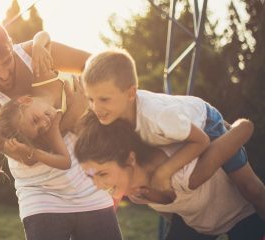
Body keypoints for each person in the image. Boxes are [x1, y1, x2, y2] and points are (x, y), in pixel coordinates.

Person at [0, 18, 122, 240]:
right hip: (40, 194)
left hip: (88, 182)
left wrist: (89, 101)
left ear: (11, 44)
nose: (4, 73)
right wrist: (73, 111)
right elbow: (27, 156)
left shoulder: (35, 53)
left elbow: (96, 67)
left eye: (7, 61)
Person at [82, 49, 265, 219]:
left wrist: (164, 172)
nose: (96, 108)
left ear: (130, 93)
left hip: (204, 124)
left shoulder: (157, 116)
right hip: (178, 132)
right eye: (91, 99)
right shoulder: (111, 115)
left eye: (104, 99)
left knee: (251, 188)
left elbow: (201, 141)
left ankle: (231, 130)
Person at [74, 112, 265, 239]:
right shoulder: (135, 193)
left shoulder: (185, 173)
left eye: (102, 173)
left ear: (130, 160)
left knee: (253, 190)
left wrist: (223, 128)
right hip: (197, 225)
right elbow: (174, 210)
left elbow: (244, 127)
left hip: (241, 216)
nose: (98, 185)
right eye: (91, 177)